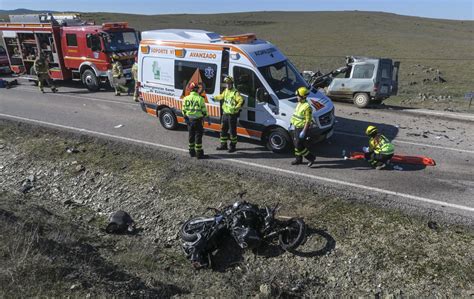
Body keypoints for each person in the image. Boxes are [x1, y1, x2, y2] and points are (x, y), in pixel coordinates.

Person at [214, 76, 243, 153]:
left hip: (232, 115)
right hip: (225, 114)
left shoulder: (235, 92)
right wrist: (215, 97)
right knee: (223, 130)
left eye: (229, 84)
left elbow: (241, 101)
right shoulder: (226, 90)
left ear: (232, 84)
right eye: (227, 84)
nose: (228, 85)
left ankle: (232, 146)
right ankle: (223, 145)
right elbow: (221, 96)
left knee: (232, 132)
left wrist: (236, 108)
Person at [182, 82, 211, 159]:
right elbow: (204, 111)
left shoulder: (185, 98)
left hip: (189, 121)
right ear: (196, 89)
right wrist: (208, 118)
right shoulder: (200, 99)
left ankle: (191, 152)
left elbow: (183, 111)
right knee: (198, 137)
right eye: (197, 89)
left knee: (191, 136)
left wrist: (186, 119)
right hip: (197, 121)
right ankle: (199, 154)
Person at [290, 87, 315, 166]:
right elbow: (296, 115)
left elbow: (308, 120)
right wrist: (291, 124)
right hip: (296, 127)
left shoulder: (307, 107)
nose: (297, 97)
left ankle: (311, 158)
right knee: (295, 144)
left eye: (298, 96)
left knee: (298, 145)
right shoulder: (299, 103)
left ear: (303, 96)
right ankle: (298, 159)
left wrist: (304, 131)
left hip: (302, 128)